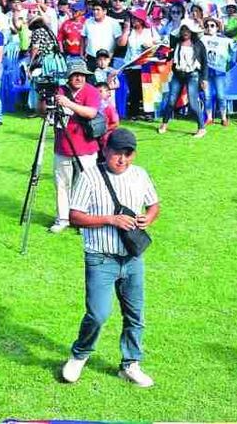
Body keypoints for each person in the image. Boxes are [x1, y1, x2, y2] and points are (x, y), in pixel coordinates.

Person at [61, 128, 160, 388]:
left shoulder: (140, 175)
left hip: (132, 258)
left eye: (128, 154)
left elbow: (154, 204)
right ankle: (79, 354)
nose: (123, 159)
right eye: (118, 153)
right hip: (100, 258)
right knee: (98, 313)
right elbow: (75, 216)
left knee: (135, 314)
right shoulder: (90, 177)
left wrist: (147, 218)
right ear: (105, 151)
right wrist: (110, 219)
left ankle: (130, 364)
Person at [42, 61, 102, 234]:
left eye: (82, 75)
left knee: (87, 185)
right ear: (68, 77)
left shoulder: (91, 91)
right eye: (75, 74)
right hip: (63, 147)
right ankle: (62, 218)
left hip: (87, 148)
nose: (79, 78)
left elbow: (91, 112)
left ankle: (84, 220)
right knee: (62, 184)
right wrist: (44, 98)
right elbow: (43, 112)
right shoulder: (59, 90)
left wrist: (68, 103)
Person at [157, 22, 209, 138]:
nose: (185, 33)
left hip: (193, 75)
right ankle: (164, 124)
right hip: (178, 74)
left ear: (191, 32)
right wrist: (161, 55)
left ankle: (201, 128)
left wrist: (204, 79)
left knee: (193, 102)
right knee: (171, 100)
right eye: (183, 30)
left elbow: (205, 63)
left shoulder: (198, 44)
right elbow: (168, 55)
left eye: (187, 30)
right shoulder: (176, 43)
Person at [200, 17, 234, 126]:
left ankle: (224, 117)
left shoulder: (223, 40)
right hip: (206, 71)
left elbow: (233, 49)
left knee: (220, 95)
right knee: (207, 95)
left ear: (217, 28)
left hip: (219, 71)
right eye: (207, 26)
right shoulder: (202, 38)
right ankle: (209, 117)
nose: (209, 28)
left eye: (212, 26)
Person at [81, 0, 122, 70]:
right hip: (91, 58)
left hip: (107, 59)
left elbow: (118, 41)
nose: (95, 12)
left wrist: (111, 56)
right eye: (93, 10)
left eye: (98, 10)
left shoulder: (113, 23)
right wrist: (81, 53)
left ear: (104, 11)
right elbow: (83, 37)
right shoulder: (88, 22)